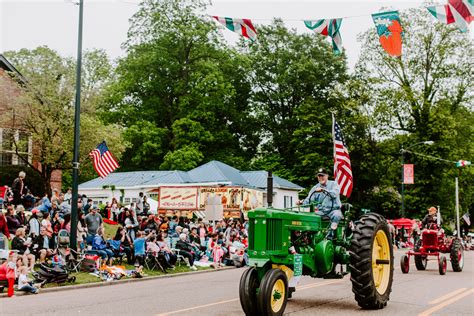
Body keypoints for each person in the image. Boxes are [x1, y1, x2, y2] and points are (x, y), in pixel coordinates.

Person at [300, 167, 342, 239]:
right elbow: (309, 200)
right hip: (321, 212)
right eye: (319, 176)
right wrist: (301, 202)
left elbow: (335, 194)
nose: (321, 178)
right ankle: (309, 237)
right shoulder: (315, 188)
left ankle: (330, 234)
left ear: (327, 176)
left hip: (333, 210)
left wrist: (323, 190)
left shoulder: (334, 184)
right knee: (309, 217)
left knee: (337, 215)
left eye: (322, 176)